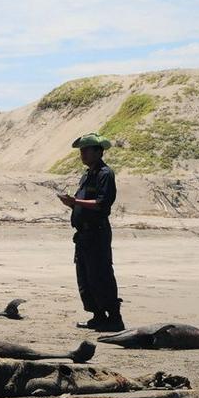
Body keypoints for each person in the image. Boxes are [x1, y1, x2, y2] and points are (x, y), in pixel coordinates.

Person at [57, 133, 124, 331]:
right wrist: (73, 204)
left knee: (101, 275)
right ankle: (98, 316)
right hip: (83, 235)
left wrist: (75, 202)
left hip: (97, 233)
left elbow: (102, 204)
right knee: (86, 277)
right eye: (81, 151)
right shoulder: (87, 175)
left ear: (98, 152)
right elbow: (85, 203)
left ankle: (114, 318)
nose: (82, 154)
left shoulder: (105, 174)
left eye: (86, 150)